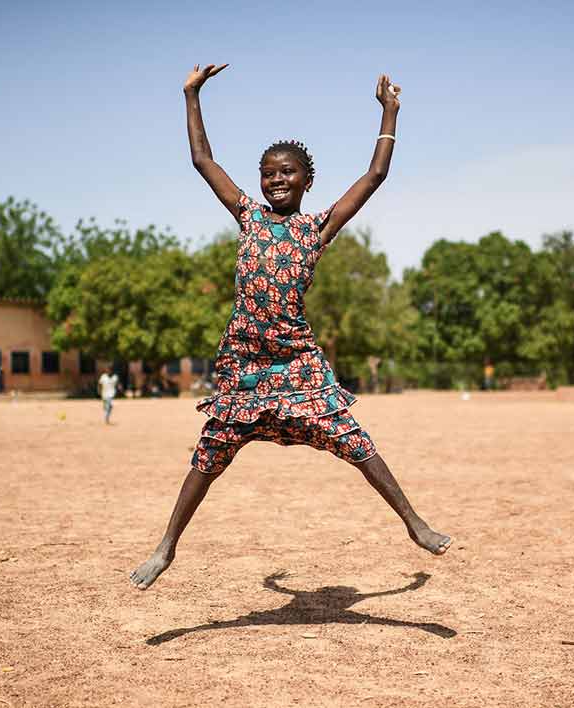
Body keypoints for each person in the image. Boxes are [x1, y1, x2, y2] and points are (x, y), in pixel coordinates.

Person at [130, 64, 451, 591]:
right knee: (211, 452)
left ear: (307, 180)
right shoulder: (248, 216)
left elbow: (373, 178)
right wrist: (191, 95)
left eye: (287, 172)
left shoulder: (315, 229)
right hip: (245, 364)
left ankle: (414, 523)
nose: (276, 179)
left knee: (352, 438)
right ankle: (166, 546)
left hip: (295, 361)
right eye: (268, 172)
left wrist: (389, 113)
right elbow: (202, 159)